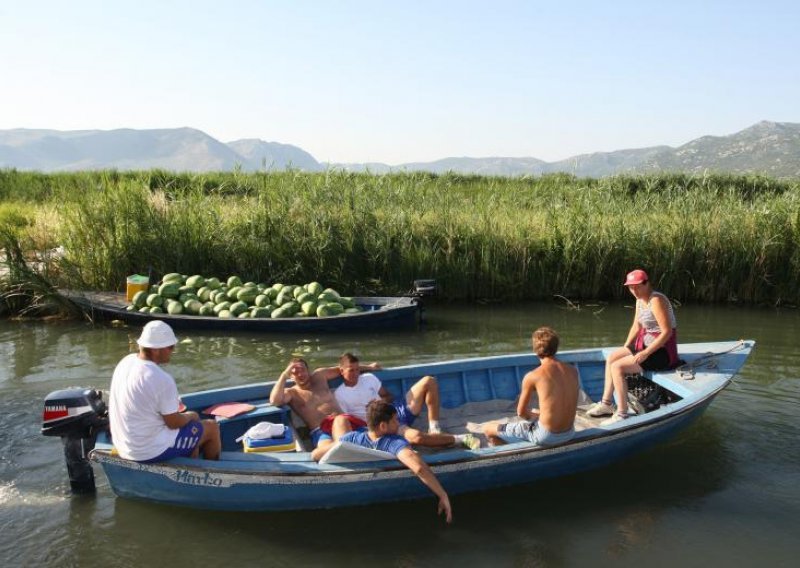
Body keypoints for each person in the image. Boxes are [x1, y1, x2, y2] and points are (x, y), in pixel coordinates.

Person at [314, 399, 453, 523]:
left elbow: (315, 455)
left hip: (359, 442)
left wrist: (332, 444)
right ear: (383, 426)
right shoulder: (393, 443)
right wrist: (442, 494)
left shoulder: (352, 438)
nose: (398, 423)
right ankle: (455, 439)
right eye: (395, 420)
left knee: (339, 420)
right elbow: (418, 468)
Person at [109, 321, 221, 462]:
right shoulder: (161, 378)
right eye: (170, 347)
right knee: (211, 428)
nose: (173, 351)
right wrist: (191, 416)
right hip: (147, 450)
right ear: (156, 350)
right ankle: (210, 475)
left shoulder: (125, 362)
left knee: (193, 429)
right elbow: (173, 423)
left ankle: (191, 456)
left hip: (124, 445)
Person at [330, 352, 479, 451]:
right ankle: (460, 439)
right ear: (341, 371)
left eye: (358, 369)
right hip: (381, 423)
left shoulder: (368, 378)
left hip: (394, 410)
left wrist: (381, 402)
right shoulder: (340, 394)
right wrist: (374, 413)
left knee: (429, 381)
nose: (356, 373)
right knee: (416, 437)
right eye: (351, 370)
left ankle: (434, 427)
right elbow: (350, 422)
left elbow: (388, 395)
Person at [586, 269, 679, 424]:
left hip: (661, 351)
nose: (634, 291)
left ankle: (622, 413)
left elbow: (667, 332)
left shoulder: (656, 300)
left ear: (647, 283)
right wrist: (626, 347)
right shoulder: (639, 300)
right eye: (631, 287)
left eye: (637, 286)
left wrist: (646, 352)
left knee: (617, 367)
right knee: (612, 358)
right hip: (644, 344)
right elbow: (636, 326)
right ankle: (606, 404)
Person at [482, 327, 579, 446]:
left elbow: (521, 413)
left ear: (535, 349)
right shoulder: (573, 370)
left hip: (546, 436)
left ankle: (511, 458)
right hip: (569, 432)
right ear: (556, 347)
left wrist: (532, 416)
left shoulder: (533, 376)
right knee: (536, 413)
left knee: (488, 428)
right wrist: (537, 415)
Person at [268, 357, 368, 450]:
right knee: (329, 451)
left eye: (302, 370)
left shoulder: (320, 376)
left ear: (308, 371)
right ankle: (345, 446)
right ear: (290, 376)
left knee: (374, 440)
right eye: (295, 372)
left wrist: (370, 367)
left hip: (345, 423)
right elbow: (274, 401)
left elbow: (344, 369)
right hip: (321, 432)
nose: (300, 374)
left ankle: (347, 445)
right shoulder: (291, 393)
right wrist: (284, 375)